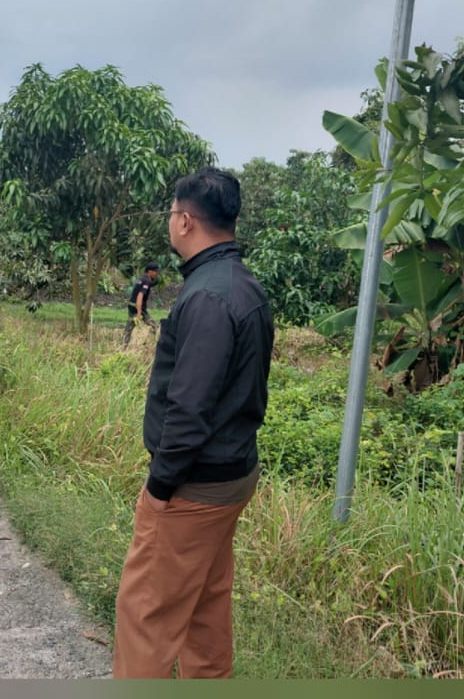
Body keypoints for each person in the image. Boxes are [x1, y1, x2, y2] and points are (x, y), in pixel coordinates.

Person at [113, 166, 274, 680]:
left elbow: (189, 407)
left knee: (147, 616)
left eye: (170, 214)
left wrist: (159, 488)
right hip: (231, 475)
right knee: (205, 609)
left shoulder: (206, 296)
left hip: (193, 486)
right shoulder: (241, 284)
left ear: (184, 221)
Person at [121, 262, 160, 347]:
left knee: (129, 328)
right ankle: (146, 345)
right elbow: (140, 296)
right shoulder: (147, 281)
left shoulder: (142, 279)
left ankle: (122, 347)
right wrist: (139, 313)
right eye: (155, 272)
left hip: (132, 305)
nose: (156, 274)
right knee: (155, 327)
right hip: (138, 307)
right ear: (150, 271)